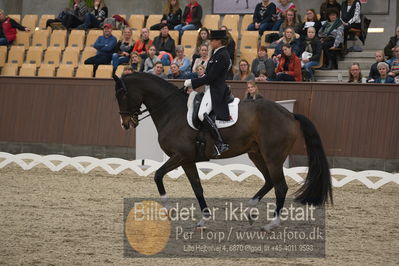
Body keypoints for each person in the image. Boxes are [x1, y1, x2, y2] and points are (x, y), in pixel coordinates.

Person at [184, 30, 231, 156]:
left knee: (201, 114)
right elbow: (208, 75)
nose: (210, 42)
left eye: (212, 40)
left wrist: (192, 83)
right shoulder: (216, 53)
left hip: (216, 89)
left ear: (219, 41)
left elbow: (211, 78)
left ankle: (220, 143)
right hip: (210, 88)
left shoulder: (222, 55)